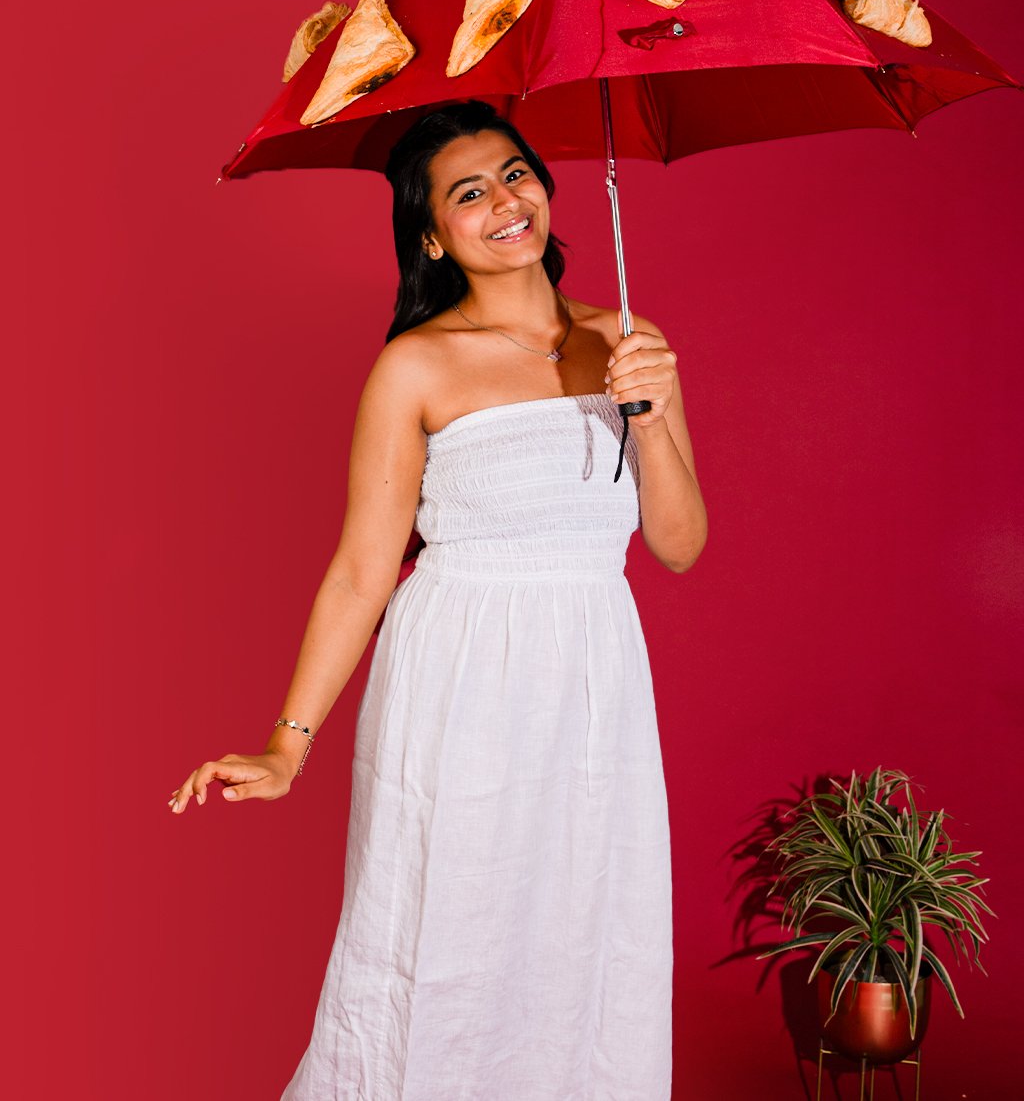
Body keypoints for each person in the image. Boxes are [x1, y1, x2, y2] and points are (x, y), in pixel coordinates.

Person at [167, 100, 708, 1099]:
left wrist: (653, 411)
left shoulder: (629, 342)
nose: (506, 201)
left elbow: (678, 544)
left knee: (589, 937)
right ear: (430, 236)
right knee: (444, 939)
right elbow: (362, 570)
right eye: (470, 193)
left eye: (516, 174)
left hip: (596, 689)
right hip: (460, 686)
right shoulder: (415, 365)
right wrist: (287, 745)